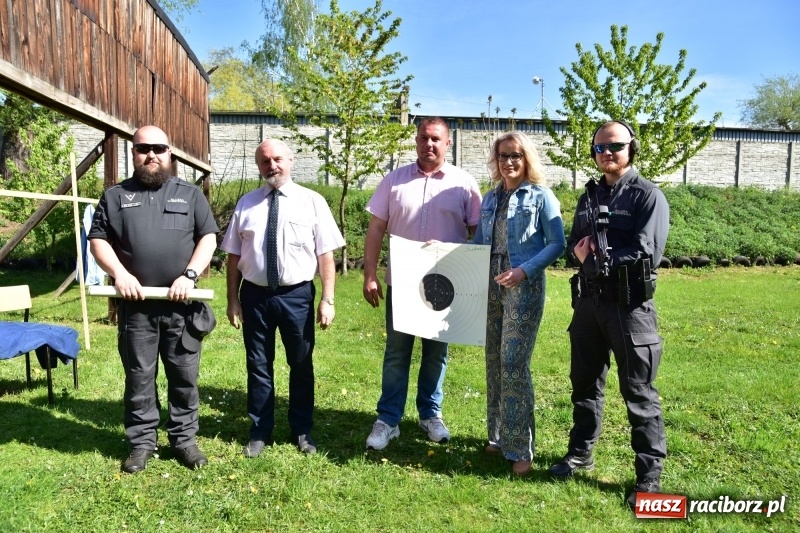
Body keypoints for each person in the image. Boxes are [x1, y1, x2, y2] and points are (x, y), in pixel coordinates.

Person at [548, 120, 670, 508]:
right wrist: (580, 255)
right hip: (588, 304)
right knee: (584, 384)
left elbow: (646, 251)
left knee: (638, 391)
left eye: (615, 146)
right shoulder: (588, 196)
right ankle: (581, 452)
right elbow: (573, 246)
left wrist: (597, 258)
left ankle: (648, 477)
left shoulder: (647, 196)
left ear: (631, 148)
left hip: (629, 306)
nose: (607, 154)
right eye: (600, 148)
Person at [89, 125, 219, 473]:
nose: (151, 155)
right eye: (143, 148)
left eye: (159, 148)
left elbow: (208, 237)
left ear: (169, 154)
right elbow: (98, 241)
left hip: (182, 308)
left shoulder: (190, 195)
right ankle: (142, 443)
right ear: (133, 153)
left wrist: (190, 274)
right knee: (139, 377)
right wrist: (120, 273)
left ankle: (184, 441)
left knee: (184, 376)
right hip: (138, 309)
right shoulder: (115, 196)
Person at [363, 117, 482, 450]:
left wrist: (471, 271)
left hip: (446, 285)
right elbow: (375, 229)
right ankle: (387, 420)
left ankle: (430, 414)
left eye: (435, 139)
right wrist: (369, 274)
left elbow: (480, 233)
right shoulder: (394, 180)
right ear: (415, 141)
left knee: (435, 354)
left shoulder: (464, 183)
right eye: (423, 138)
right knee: (397, 353)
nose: (429, 144)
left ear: (448, 144)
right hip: (403, 284)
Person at [221, 139, 344, 458]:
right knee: (258, 364)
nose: (271, 166)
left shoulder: (312, 201)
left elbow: (325, 255)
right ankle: (260, 430)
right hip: (254, 297)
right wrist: (232, 300)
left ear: (290, 160)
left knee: (301, 363)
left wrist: (327, 299)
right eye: (264, 161)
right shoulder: (246, 204)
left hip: (297, 296)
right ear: (259, 165)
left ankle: (302, 429)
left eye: (277, 159)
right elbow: (233, 256)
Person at [472, 132, 566, 476]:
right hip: (491, 286)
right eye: (502, 156)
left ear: (527, 158)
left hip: (522, 288)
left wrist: (524, 271)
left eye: (515, 155)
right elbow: (479, 244)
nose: (509, 162)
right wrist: (445, 249)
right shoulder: (489, 199)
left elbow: (557, 243)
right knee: (494, 360)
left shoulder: (541, 196)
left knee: (513, 363)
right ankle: (497, 436)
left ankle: (520, 448)